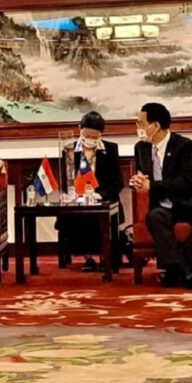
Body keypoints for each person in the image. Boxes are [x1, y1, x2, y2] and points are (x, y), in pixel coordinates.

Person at [130, 103, 192, 289]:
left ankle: (184, 269)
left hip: (189, 202)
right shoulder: (141, 148)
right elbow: (143, 176)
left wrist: (152, 186)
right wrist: (138, 181)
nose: (137, 127)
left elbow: (188, 181)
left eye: (140, 123)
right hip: (163, 205)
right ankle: (179, 270)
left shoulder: (184, 146)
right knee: (154, 217)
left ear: (155, 126)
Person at [57, 111, 124, 271]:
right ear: (79, 129)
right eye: (86, 135)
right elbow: (65, 180)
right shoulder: (69, 149)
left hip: (103, 198)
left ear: (101, 134)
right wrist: (73, 195)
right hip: (77, 199)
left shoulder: (110, 149)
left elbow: (118, 182)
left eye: (95, 136)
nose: (90, 139)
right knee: (77, 215)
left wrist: (99, 195)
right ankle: (88, 258)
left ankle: (104, 257)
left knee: (98, 215)